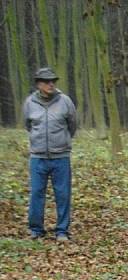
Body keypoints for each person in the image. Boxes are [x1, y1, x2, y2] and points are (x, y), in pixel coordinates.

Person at [22, 67, 77, 242]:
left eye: (53, 81)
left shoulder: (65, 101)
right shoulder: (29, 103)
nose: (51, 84)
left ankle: (62, 231)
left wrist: (62, 142)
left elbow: (72, 125)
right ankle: (36, 230)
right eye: (47, 81)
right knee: (37, 193)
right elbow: (28, 125)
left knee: (63, 194)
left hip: (61, 156)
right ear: (38, 84)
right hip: (38, 157)